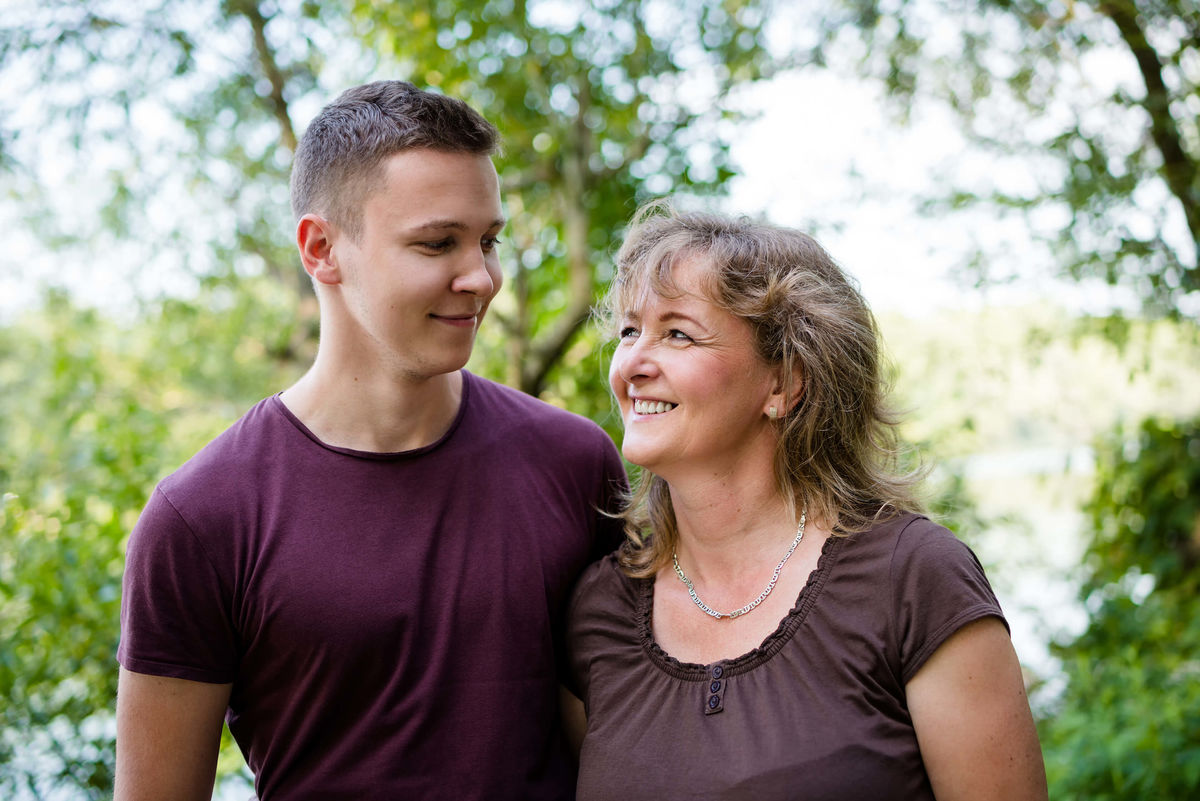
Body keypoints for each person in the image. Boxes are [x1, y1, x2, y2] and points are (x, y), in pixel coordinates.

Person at [115, 80, 626, 801]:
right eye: (438, 242)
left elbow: (618, 745)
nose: (481, 277)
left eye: (489, 240)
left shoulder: (576, 463)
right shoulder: (201, 518)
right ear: (322, 248)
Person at [565, 203, 1048, 800]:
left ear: (784, 382)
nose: (632, 364)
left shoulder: (912, 578)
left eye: (678, 333)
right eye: (630, 330)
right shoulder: (599, 608)